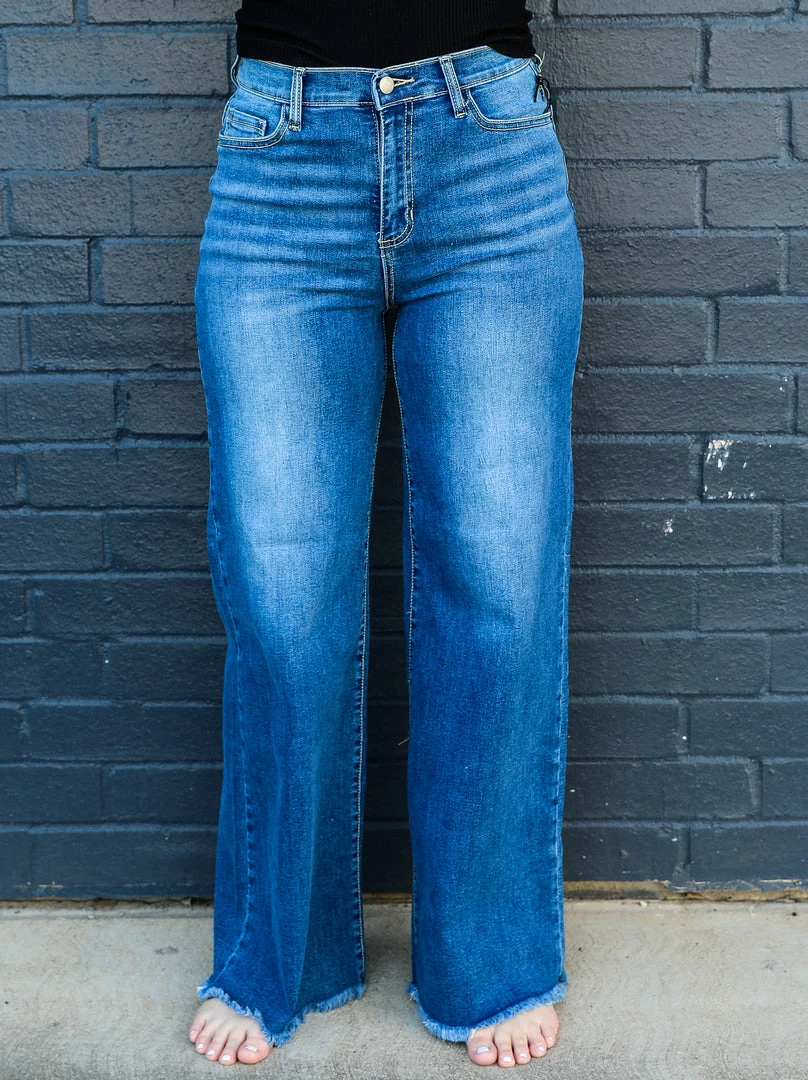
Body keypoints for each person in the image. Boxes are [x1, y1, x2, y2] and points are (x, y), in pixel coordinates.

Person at [187, 0, 583, 1068]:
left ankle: (490, 961)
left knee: (498, 589)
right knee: (281, 605)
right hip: (283, 155)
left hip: (487, 148)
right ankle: (281, 959)